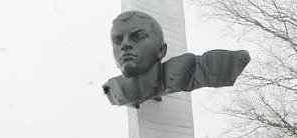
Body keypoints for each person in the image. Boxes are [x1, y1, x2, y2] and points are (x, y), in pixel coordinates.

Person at [103, 11, 250, 107]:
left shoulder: (187, 69)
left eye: (138, 36)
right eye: (117, 40)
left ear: (161, 51)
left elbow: (230, 62)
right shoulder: (112, 90)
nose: (125, 45)